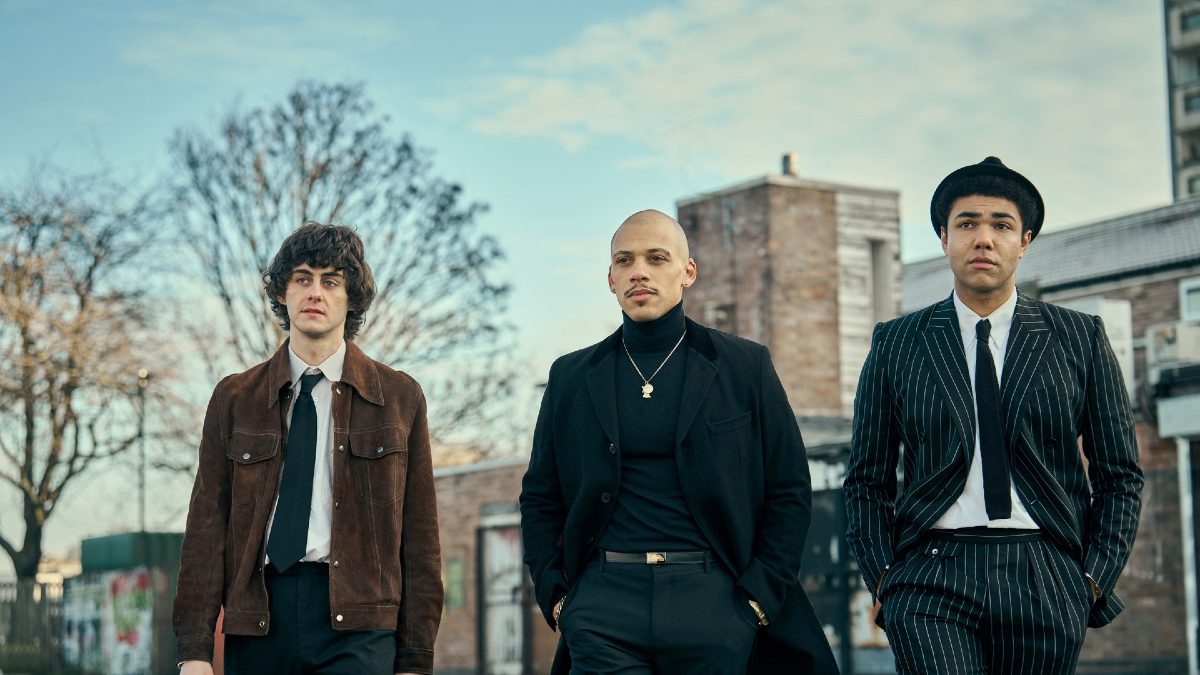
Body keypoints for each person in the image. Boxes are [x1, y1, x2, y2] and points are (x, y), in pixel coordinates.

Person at [844, 157, 1144, 673]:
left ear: (1024, 241)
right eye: (967, 223)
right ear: (943, 237)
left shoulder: (1079, 337)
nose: (984, 239)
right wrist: (885, 579)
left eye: (1001, 225)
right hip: (931, 574)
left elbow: (1120, 475)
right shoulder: (896, 343)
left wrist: (1091, 577)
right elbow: (866, 480)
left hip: (1046, 573)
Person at [520, 209, 837, 674]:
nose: (639, 272)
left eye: (656, 257)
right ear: (610, 278)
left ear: (688, 271)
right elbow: (540, 496)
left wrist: (757, 601)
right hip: (604, 607)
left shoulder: (743, 366)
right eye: (624, 261)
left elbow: (788, 488)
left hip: (717, 603)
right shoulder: (570, 376)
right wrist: (560, 598)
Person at [173, 222, 442, 675]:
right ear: (283, 293)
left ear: (351, 297)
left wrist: (416, 657)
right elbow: (206, 529)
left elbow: (420, 538)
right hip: (258, 618)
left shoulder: (398, 397)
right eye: (302, 278)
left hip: (359, 624)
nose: (314, 292)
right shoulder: (235, 399)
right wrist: (194, 651)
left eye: (330, 281)